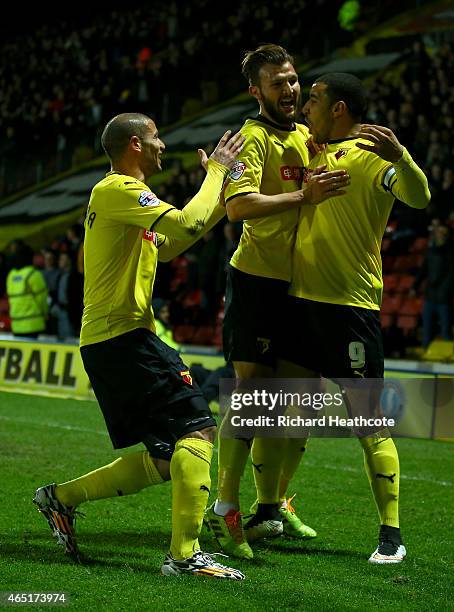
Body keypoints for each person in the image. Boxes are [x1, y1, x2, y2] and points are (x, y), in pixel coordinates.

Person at [33, 112, 247, 580]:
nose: (163, 145)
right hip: (122, 336)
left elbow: (173, 242)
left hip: (117, 337)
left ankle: (60, 498)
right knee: (198, 428)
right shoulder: (118, 190)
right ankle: (184, 556)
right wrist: (216, 173)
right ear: (134, 144)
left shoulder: (125, 200)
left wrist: (224, 194)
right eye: (155, 138)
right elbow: (185, 223)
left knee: (169, 456)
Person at [205, 44, 350, 560]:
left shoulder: (311, 135)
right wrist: (302, 197)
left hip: (305, 286)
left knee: (302, 398)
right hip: (258, 282)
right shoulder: (253, 138)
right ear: (256, 91)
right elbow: (237, 206)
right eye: (277, 83)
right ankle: (223, 504)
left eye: (292, 80)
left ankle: (272, 506)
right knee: (252, 395)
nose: (289, 90)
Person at [279, 73, 430, 563]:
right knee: (288, 414)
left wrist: (401, 156)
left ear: (339, 108)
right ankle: (268, 508)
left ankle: (392, 536)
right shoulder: (309, 147)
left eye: (314, 100)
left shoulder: (372, 161)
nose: (305, 108)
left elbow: (420, 197)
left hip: (349, 310)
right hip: (299, 304)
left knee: (368, 423)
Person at [6, 241, 48, 338]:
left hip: (16, 325)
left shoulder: (11, 275)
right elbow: (42, 299)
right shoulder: (33, 274)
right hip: (33, 324)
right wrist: (45, 314)